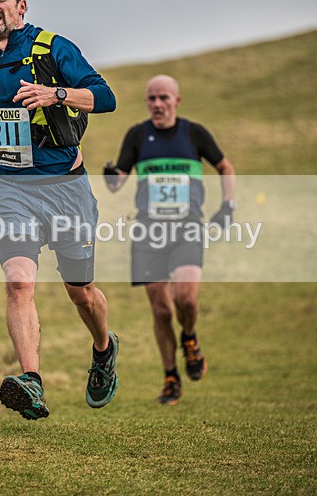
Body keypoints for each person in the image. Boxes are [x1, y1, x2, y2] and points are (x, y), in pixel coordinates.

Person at [0, 0, 119, 420]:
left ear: (21, 5)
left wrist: (56, 93)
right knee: (19, 281)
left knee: (80, 292)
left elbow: (105, 97)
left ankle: (103, 348)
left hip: (66, 189)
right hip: (12, 189)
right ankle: (33, 381)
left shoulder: (52, 47)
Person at [104, 74, 235, 405]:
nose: (157, 104)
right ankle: (170, 377)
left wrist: (227, 205)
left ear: (177, 100)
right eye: (151, 98)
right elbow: (118, 181)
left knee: (186, 299)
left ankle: (190, 339)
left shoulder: (194, 134)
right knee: (161, 311)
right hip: (148, 231)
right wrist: (111, 177)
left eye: (163, 98)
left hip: (187, 227)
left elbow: (225, 167)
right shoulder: (137, 135)